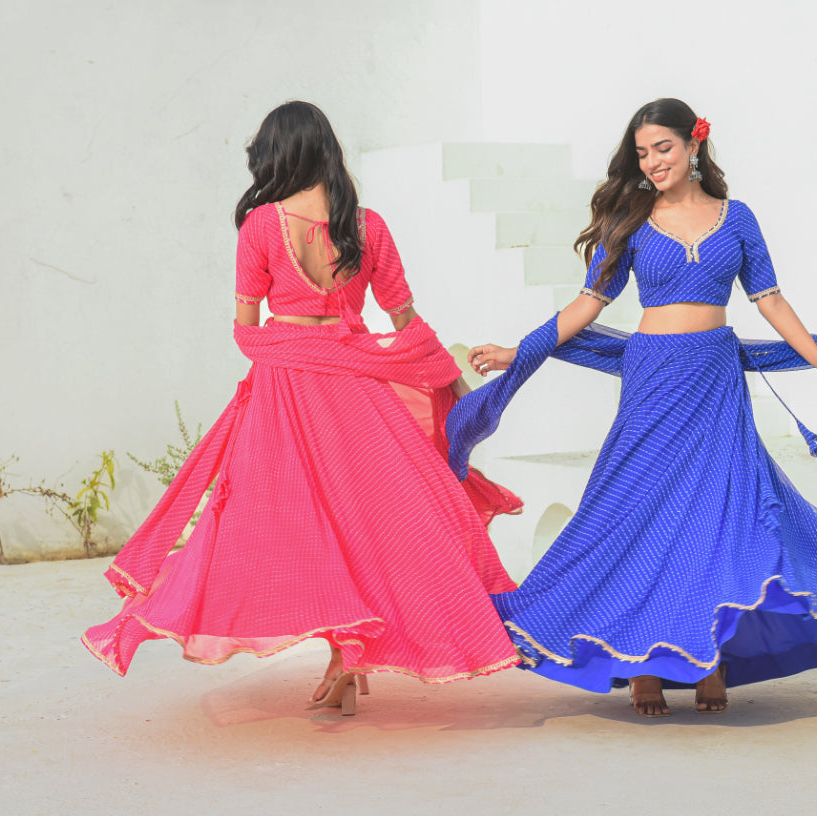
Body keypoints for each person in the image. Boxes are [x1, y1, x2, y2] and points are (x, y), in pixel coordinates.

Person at [458, 98, 817, 717]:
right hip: (654, 383)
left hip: (714, 382)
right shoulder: (631, 222)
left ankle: (709, 658)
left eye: (663, 148)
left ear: (694, 145)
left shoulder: (736, 219)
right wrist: (516, 350)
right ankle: (643, 670)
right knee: (644, 517)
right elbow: (586, 306)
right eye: (642, 153)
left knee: (720, 519)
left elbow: (770, 302)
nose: (654, 162)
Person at [83, 101, 523, 716]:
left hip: (288, 396)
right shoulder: (368, 225)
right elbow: (404, 324)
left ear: (282, 155)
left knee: (286, 529)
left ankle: (349, 646)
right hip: (360, 392)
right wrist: (439, 375)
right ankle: (351, 650)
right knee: (371, 524)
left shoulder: (262, 226)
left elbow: (244, 332)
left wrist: (294, 348)